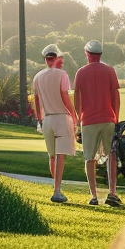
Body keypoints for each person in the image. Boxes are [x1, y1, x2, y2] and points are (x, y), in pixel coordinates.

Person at [73, 39, 124, 207]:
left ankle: (94, 196)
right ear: (100, 54)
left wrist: (79, 119)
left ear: (87, 54)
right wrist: (115, 117)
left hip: (88, 121)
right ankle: (112, 192)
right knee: (111, 156)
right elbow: (116, 97)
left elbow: (77, 99)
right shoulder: (110, 70)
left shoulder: (81, 72)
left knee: (89, 158)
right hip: (108, 119)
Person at [32, 43, 76, 204]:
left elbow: (36, 101)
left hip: (47, 119)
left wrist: (39, 119)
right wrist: (74, 116)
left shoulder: (37, 77)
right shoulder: (62, 74)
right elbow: (65, 97)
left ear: (45, 59)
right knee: (60, 155)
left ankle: (57, 188)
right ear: (55, 59)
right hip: (61, 117)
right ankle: (57, 191)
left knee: (52, 156)